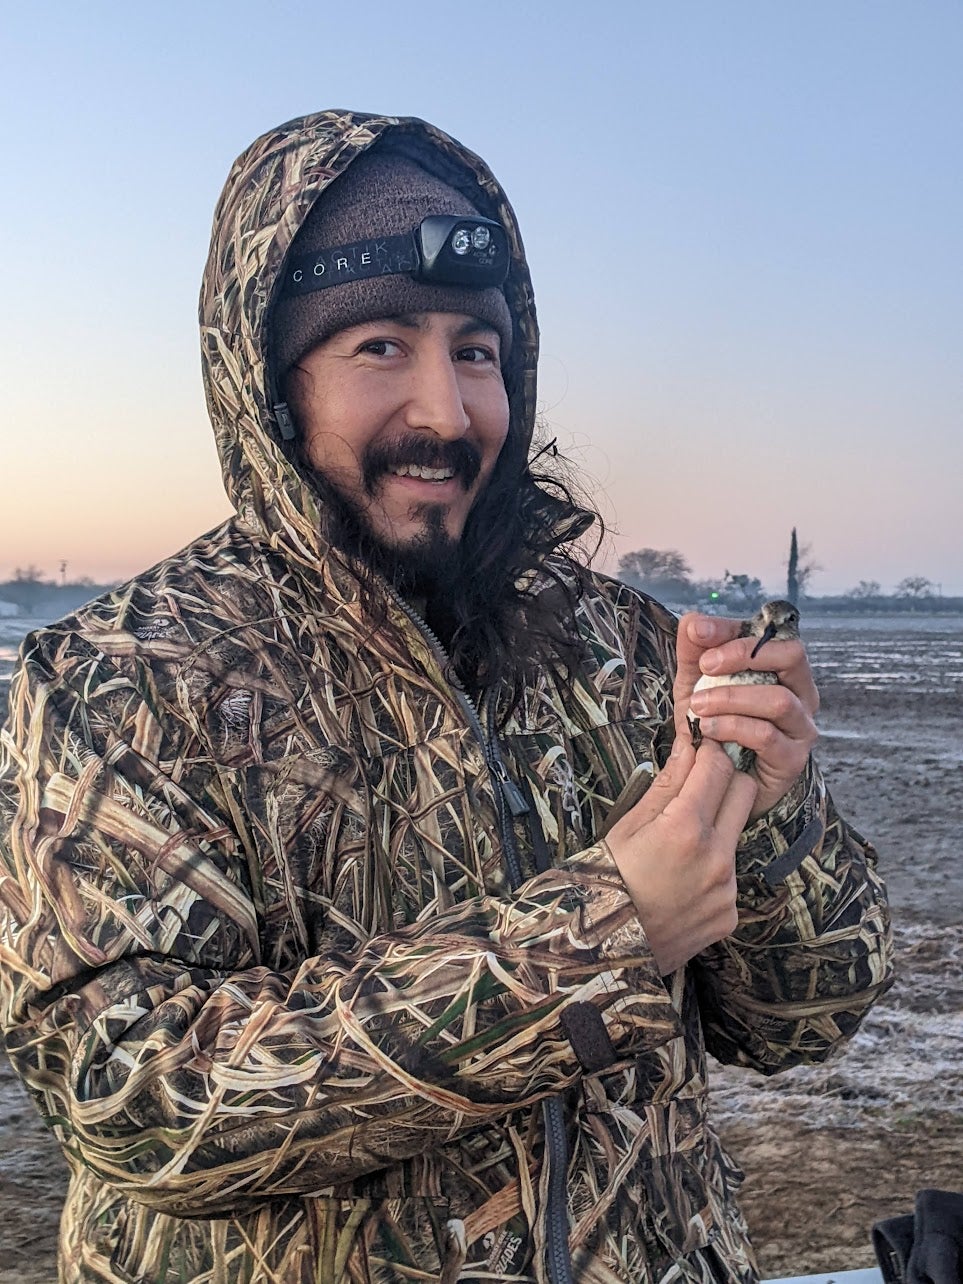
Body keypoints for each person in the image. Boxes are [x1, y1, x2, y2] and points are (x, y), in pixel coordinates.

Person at [0, 109, 892, 1284]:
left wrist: (768, 804)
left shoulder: (620, 649)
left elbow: (801, 1023)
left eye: (477, 350)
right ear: (268, 381)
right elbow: (134, 1101)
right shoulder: (118, 681)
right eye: (381, 346)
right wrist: (602, 940)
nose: (446, 409)